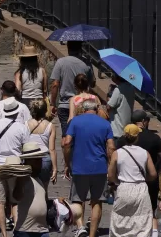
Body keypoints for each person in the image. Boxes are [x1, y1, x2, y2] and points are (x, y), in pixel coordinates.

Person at [63, 99, 115, 237]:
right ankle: (92, 234)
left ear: (83, 109)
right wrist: (111, 166)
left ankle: (81, 228)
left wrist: (67, 163)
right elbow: (111, 147)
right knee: (97, 201)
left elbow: (67, 142)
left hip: (80, 166)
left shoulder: (75, 121)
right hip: (99, 166)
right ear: (97, 109)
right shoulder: (105, 124)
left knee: (78, 199)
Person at [0, 100, 30, 237]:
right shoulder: (22, 127)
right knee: (15, 201)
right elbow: (27, 150)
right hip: (15, 166)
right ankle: (17, 229)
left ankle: (4, 234)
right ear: (16, 113)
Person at [120, 110, 161, 236]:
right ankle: (154, 233)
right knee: (151, 210)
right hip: (150, 181)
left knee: (131, 212)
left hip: (129, 181)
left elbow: (116, 158)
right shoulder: (154, 138)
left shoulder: (124, 140)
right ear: (144, 122)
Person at [108, 123, 157, 237]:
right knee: (142, 220)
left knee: (120, 218)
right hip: (140, 188)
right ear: (137, 137)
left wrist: (117, 181)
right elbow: (153, 174)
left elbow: (110, 175)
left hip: (124, 186)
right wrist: (145, 179)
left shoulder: (117, 153)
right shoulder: (145, 153)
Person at [6, 143, 51, 237]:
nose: (41, 162)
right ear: (28, 161)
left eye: (40, 159)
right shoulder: (23, 178)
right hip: (25, 230)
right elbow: (16, 197)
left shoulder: (39, 179)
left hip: (42, 229)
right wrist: (20, 180)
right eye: (37, 160)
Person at [49, 40, 93, 131]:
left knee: (66, 136)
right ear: (80, 48)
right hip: (82, 104)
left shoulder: (60, 62)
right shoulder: (86, 63)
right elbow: (92, 83)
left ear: (68, 47)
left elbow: (55, 84)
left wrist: (52, 103)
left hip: (64, 105)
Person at [26, 99, 58, 190]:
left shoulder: (26, 124)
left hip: (29, 158)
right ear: (45, 111)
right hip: (44, 159)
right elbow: (52, 149)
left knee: (29, 188)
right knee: (44, 189)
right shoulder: (50, 126)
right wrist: (55, 169)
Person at [107, 75, 137, 139]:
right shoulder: (131, 87)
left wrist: (109, 93)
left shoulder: (118, 90)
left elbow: (109, 106)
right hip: (126, 126)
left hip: (117, 129)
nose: (112, 76)